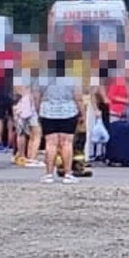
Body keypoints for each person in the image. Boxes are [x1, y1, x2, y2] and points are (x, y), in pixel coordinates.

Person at [37, 49, 82, 184]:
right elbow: (78, 97)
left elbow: (36, 95)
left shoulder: (43, 78)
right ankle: (68, 173)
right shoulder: (73, 78)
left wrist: (39, 109)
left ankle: (48, 174)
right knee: (67, 143)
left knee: (50, 143)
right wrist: (82, 113)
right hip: (68, 112)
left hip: (48, 112)